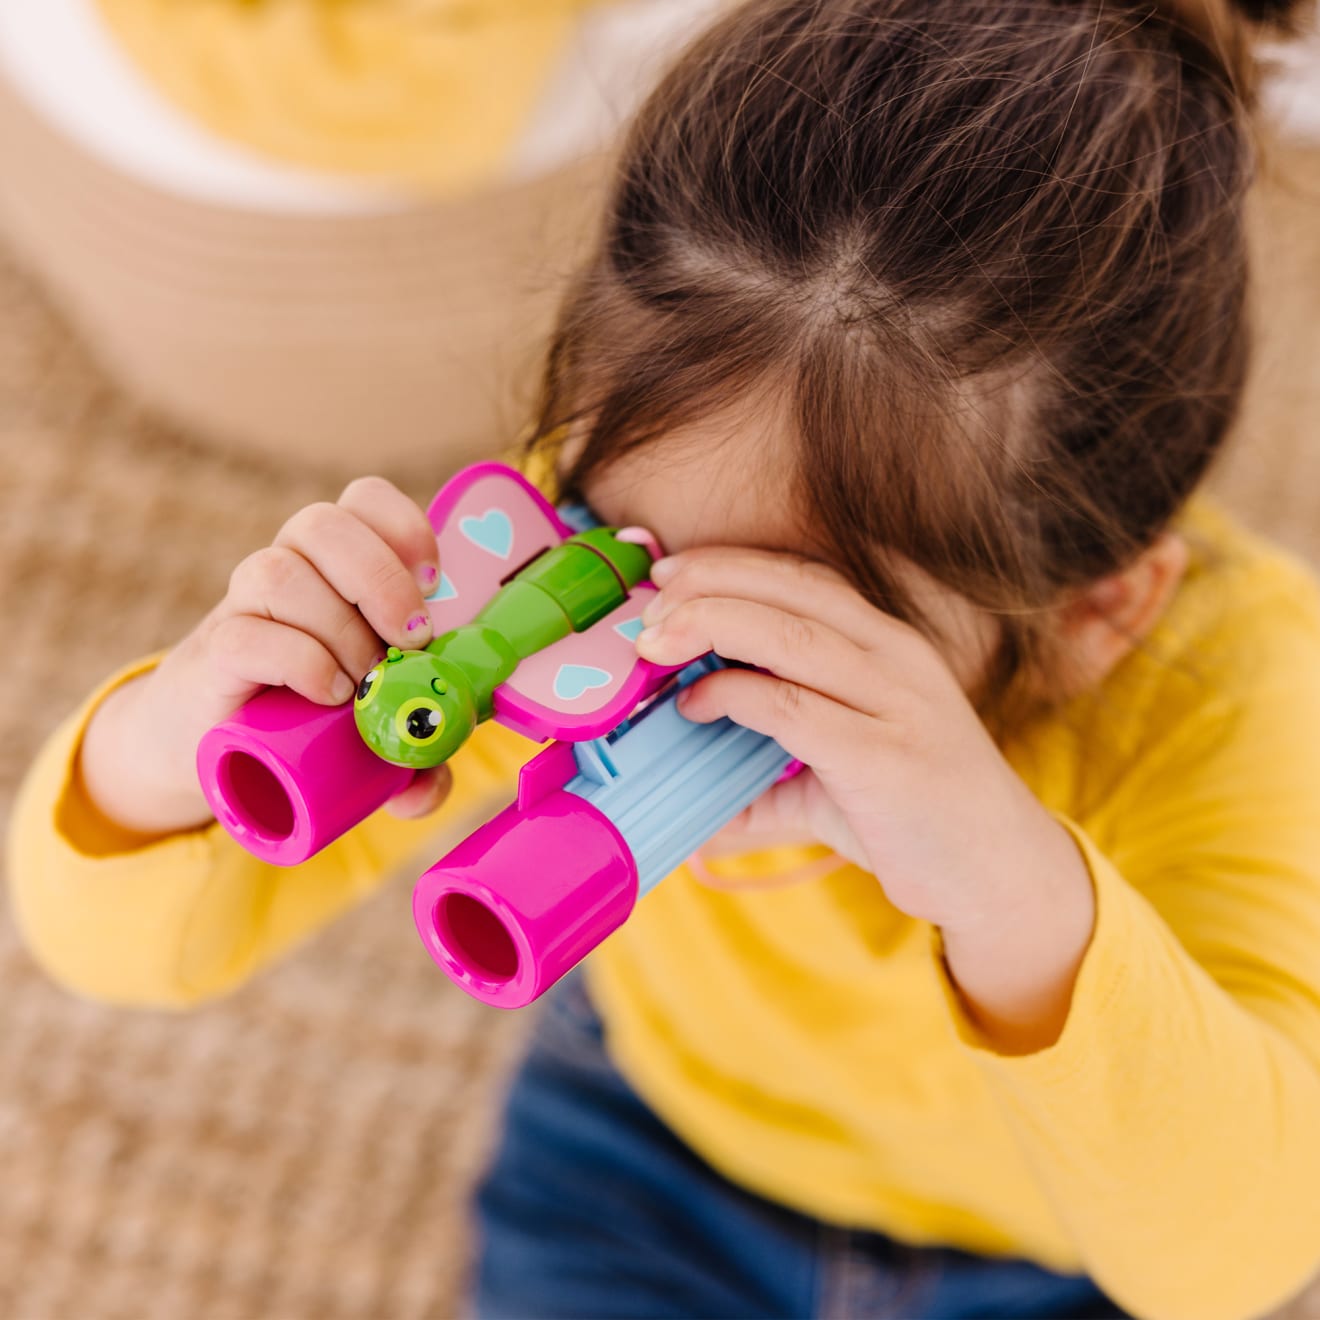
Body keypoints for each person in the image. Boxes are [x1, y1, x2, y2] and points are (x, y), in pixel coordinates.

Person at [10, 0, 1320, 1316]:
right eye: (626, 564)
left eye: (806, 633)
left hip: (1054, 1238)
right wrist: (195, 722)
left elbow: (1233, 1257)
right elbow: (118, 953)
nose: (664, 654)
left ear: (1102, 610)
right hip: (647, 1155)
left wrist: (1009, 886)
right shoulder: (557, 582)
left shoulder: (1238, 696)